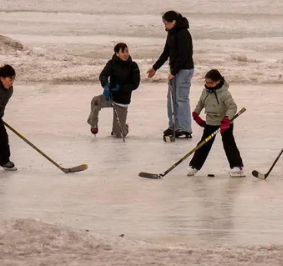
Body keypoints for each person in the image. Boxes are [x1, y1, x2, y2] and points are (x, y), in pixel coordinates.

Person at [146, 10, 195, 141]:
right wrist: (155, 68)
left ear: (173, 22)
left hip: (184, 70)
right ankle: (173, 126)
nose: (165, 26)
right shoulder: (171, 33)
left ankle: (185, 128)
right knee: (171, 99)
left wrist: (174, 72)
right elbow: (166, 52)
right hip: (175, 70)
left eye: (166, 23)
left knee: (181, 99)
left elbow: (184, 56)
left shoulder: (183, 34)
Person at [187, 69, 244, 177]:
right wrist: (196, 114)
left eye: (211, 83)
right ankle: (195, 165)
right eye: (207, 82)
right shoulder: (205, 91)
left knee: (229, 144)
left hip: (224, 123)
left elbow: (232, 107)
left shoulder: (224, 93)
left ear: (218, 81)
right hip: (211, 122)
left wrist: (227, 119)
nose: (208, 85)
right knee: (203, 144)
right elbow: (201, 102)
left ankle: (237, 167)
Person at [88, 43, 141, 138]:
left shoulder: (133, 66)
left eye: (127, 51)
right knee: (95, 101)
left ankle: (124, 127)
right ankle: (93, 123)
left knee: (119, 134)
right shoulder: (111, 64)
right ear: (117, 53)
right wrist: (106, 86)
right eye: (123, 52)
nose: (126, 54)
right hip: (110, 96)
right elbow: (103, 75)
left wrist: (121, 88)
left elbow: (135, 84)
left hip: (122, 100)